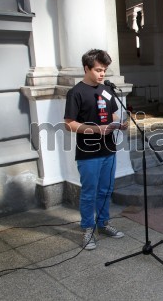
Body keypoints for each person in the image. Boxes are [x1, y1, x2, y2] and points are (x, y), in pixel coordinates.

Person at [64, 49, 127, 250]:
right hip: (88, 153)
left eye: (104, 70)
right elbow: (69, 124)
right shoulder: (76, 93)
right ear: (86, 68)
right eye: (98, 70)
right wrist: (95, 129)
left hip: (109, 149)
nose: (102, 74)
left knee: (106, 190)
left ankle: (103, 223)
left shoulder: (106, 90)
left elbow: (113, 115)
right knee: (89, 193)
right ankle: (88, 229)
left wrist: (120, 124)